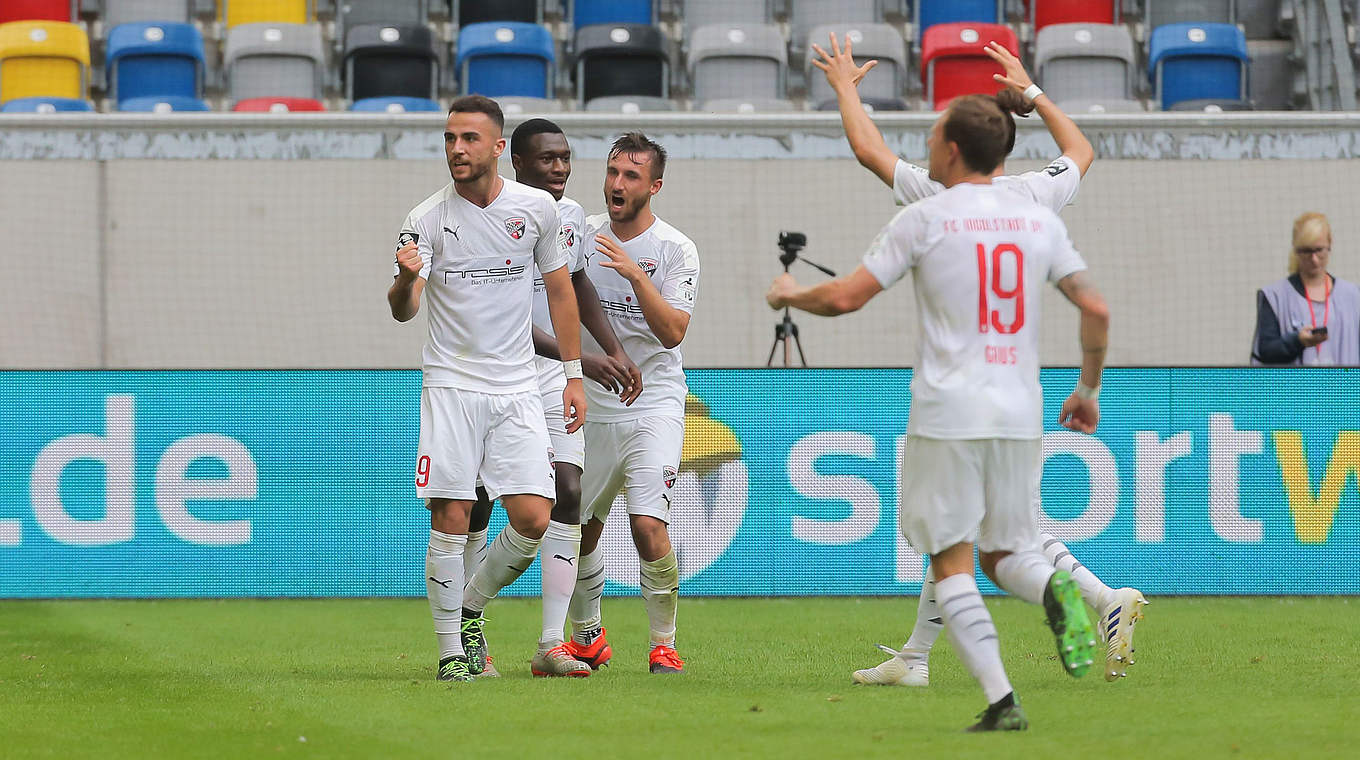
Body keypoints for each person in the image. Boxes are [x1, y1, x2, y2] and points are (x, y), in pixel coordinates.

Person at [766, 90, 1110, 730]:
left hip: (948, 411)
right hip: (1020, 411)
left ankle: (1002, 700)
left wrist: (793, 291)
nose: (926, 145)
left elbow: (845, 298)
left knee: (951, 562)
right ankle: (1053, 591)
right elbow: (1095, 308)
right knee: (1006, 556)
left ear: (952, 150)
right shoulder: (1040, 218)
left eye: (930, 137)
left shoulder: (925, 217)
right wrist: (1087, 390)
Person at [814, 32, 1146, 685]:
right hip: (1018, 395)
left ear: (955, 149)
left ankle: (1095, 603)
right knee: (986, 535)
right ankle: (918, 656)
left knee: (965, 540)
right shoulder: (1035, 197)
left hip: (954, 396)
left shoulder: (936, 200)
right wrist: (1034, 93)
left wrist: (847, 87)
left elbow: (868, 149)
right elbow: (1081, 149)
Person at [387, 95, 587, 683]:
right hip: (451, 384)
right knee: (453, 512)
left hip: (519, 385)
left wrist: (574, 375)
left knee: (533, 517)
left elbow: (561, 293)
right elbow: (404, 310)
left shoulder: (535, 212)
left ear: (498, 148)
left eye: (469, 139)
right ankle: (454, 654)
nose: (456, 149)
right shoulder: (425, 218)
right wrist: (404, 276)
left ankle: (470, 605)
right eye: (450, 138)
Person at [461, 118, 644, 678]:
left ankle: (549, 643)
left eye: (565, 158)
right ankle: (468, 626)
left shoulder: (566, 218)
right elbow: (509, 317)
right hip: (489, 375)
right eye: (547, 159)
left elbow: (578, 285)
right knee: (479, 508)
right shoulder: (488, 218)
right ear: (516, 162)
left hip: (550, 377)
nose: (560, 168)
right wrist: (583, 360)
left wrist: (613, 350)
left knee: (569, 491)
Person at [561, 133, 700, 675]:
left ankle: (663, 643)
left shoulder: (675, 249)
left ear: (655, 186)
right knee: (578, 525)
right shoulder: (581, 235)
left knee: (647, 525)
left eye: (631, 176)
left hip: (655, 401)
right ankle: (588, 637)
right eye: (613, 172)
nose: (617, 184)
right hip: (592, 400)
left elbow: (672, 332)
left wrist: (633, 273)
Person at [1253, 212, 1360, 365]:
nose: (1314, 259)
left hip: (1345, 387)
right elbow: (1266, 352)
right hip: (1297, 388)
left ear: (1330, 244)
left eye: (1319, 250)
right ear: (1296, 250)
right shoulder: (1275, 297)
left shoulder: (1354, 296)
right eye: (1307, 251)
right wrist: (1297, 342)